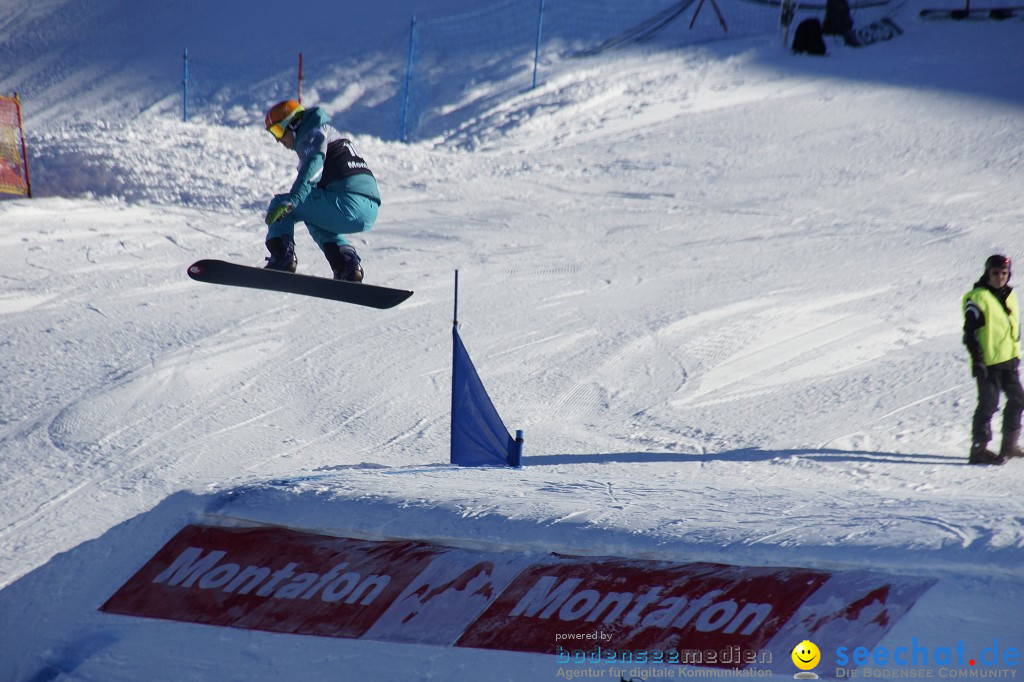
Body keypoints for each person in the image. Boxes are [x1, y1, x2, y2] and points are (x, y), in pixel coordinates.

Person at [262, 100, 381, 282]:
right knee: (314, 215)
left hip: (346, 201)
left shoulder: (312, 134)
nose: (278, 140)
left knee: (281, 203)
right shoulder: (327, 133)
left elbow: (314, 166)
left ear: (293, 124)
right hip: (369, 209)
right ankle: (346, 264)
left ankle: (283, 256)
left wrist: (292, 199)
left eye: (278, 131)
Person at [962, 254, 1024, 465]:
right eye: (995, 273)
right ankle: (978, 449)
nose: (1000, 277)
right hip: (988, 363)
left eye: (1004, 273)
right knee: (988, 405)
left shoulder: (1009, 295)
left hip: (1008, 360)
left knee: (1018, 400)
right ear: (988, 273)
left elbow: (1013, 326)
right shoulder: (978, 297)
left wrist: (1016, 352)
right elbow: (970, 333)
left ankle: (1010, 445)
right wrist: (977, 360)